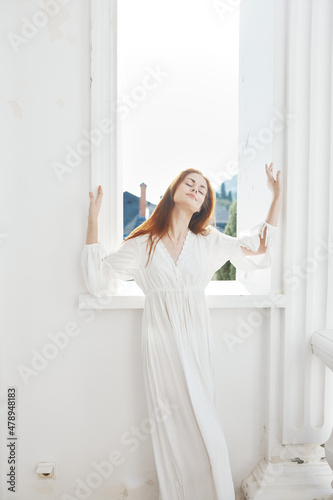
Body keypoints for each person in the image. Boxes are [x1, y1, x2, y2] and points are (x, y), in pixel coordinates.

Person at [81, 163, 281, 500]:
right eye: (190, 183)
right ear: (174, 191)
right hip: (160, 349)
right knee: (172, 432)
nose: (196, 189)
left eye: (202, 190)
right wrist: (93, 219)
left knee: (209, 433)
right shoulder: (143, 244)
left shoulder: (207, 241)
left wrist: (277, 196)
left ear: (203, 205)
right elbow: (98, 279)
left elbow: (258, 249)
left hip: (196, 344)